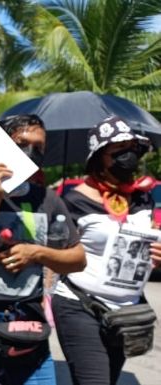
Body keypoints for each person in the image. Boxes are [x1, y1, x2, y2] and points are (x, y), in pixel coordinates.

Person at [0, 114, 85, 385]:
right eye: (23, 143)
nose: (32, 152)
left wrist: (36, 253)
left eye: (39, 146)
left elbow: (78, 259)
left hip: (29, 331)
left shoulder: (47, 198)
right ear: (1, 147)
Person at [51, 116, 161, 384]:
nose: (129, 156)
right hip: (80, 305)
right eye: (119, 150)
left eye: (133, 148)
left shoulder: (142, 198)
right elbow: (56, 254)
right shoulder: (75, 200)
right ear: (100, 157)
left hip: (126, 312)